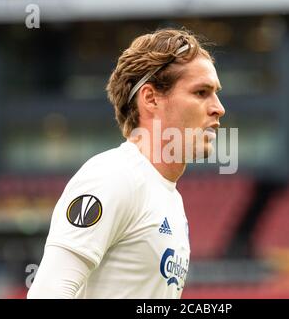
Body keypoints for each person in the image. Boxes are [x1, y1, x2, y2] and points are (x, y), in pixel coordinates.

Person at [27, 28, 225, 299]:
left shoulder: (169, 197)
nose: (218, 107)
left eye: (215, 93)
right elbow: (48, 292)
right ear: (151, 98)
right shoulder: (113, 176)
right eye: (201, 92)